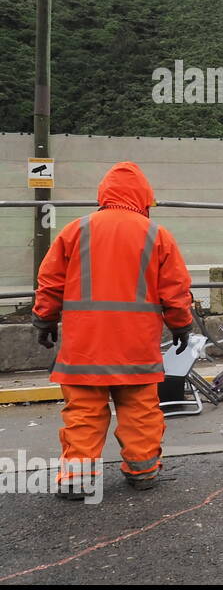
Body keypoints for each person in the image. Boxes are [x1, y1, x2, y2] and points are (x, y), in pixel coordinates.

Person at [31, 162, 194, 500]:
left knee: (83, 414)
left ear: (103, 196)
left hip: (83, 348)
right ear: (144, 198)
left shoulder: (75, 231)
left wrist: (44, 320)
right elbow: (175, 289)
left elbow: (50, 282)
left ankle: (76, 480)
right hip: (135, 348)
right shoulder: (156, 235)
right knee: (140, 412)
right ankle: (143, 472)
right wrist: (182, 325)